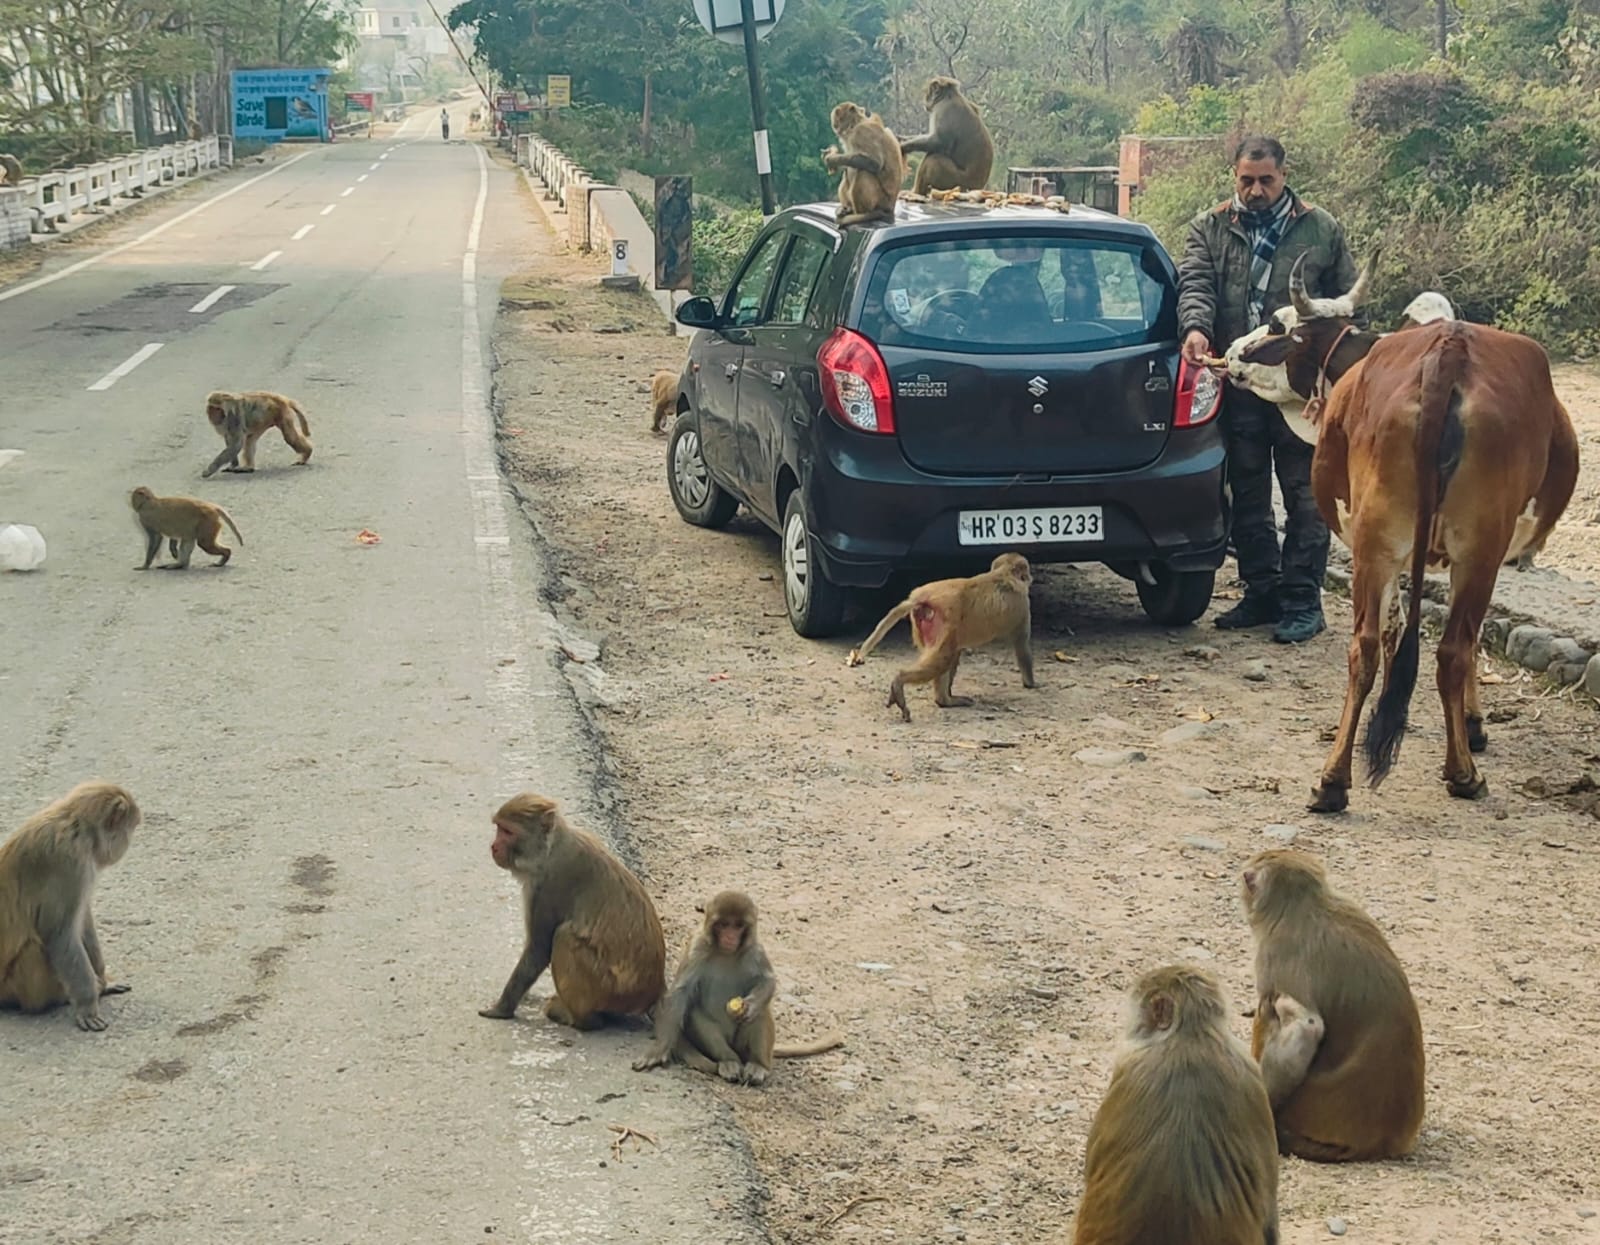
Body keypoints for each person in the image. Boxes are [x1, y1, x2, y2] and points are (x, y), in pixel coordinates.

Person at [1177, 135, 1359, 645]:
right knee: (1247, 493)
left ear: (1283, 175)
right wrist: (1195, 328)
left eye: (1266, 181)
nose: (1255, 190)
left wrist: (1336, 380)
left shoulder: (1320, 228)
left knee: (1307, 496)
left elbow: (1347, 307)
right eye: (1246, 181)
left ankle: (1303, 600)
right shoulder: (1210, 227)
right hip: (1239, 383)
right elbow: (1195, 284)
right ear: (1234, 177)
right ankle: (1261, 591)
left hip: (1303, 392)